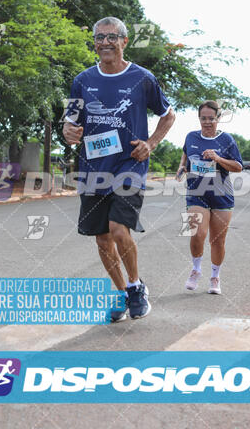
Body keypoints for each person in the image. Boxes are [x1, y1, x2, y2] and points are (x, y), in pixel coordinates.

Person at [63, 17, 175, 322]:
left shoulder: (143, 78)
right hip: (93, 168)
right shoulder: (82, 80)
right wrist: (69, 131)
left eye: (112, 37)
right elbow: (70, 122)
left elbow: (168, 116)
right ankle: (121, 292)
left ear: (124, 41)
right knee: (102, 239)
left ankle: (136, 286)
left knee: (118, 229)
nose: (105, 43)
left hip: (130, 166)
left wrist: (150, 144)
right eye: (99, 38)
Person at [175, 101, 242, 295]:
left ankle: (215, 276)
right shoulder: (191, 136)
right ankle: (196, 270)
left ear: (218, 119)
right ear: (199, 119)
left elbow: (238, 166)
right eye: (203, 118)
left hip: (222, 195)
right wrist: (182, 167)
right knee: (195, 233)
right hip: (196, 194)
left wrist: (218, 159)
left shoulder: (227, 140)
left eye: (211, 119)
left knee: (217, 241)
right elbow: (185, 156)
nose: (207, 122)